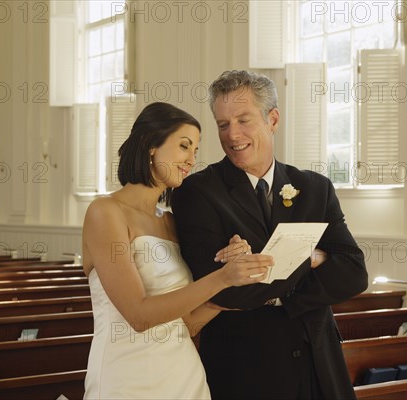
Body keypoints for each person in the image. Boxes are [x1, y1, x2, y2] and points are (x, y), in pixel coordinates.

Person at [171, 71, 368, 400]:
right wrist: (311, 258)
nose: (233, 135)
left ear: (272, 119)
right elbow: (222, 293)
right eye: (223, 124)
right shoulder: (197, 192)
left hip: (319, 363)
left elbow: (354, 273)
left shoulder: (316, 188)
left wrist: (262, 275)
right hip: (246, 369)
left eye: (244, 120)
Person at [81, 102, 274, 399]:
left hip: (184, 376)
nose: (191, 159)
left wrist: (233, 282)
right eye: (184, 146)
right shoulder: (105, 212)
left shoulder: (171, 221)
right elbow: (139, 316)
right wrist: (222, 278)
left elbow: (188, 323)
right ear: (150, 145)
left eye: (195, 150)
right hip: (126, 378)